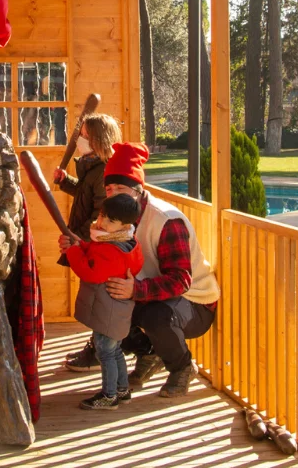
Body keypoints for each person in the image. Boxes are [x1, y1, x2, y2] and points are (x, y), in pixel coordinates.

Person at [60, 142, 220, 398]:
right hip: (147, 293)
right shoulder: (116, 218)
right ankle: (150, 353)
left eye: (120, 188)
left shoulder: (166, 221)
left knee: (156, 316)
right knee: (109, 302)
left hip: (194, 303)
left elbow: (180, 281)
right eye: (109, 188)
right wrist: (77, 247)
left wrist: (135, 290)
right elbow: (103, 258)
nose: (113, 195)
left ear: (138, 189)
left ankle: (182, 368)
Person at [61, 194, 144, 410]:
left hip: (108, 312)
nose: (102, 222)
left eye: (110, 220)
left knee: (105, 353)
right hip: (116, 311)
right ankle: (122, 390)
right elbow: (94, 252)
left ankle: (109, 396)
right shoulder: (125, 242)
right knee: (114, 351)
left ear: (124, 225)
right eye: (102, 216)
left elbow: (90, 271)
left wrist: (72, 251)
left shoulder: (111, 250)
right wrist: (79, 244)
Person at [54, 112, 122, 372]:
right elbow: (85, 194)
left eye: (84, 136)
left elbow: (99, 214)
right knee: (96, 301)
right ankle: (96, 347)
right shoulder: (92, 167)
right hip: (89, 242)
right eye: (80, 135)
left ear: (98, 140)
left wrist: (76, 239)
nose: (79, 140)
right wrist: (66, 182)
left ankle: (100, 351)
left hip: (99, 246)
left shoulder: (104, 172)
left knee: (100, 303)